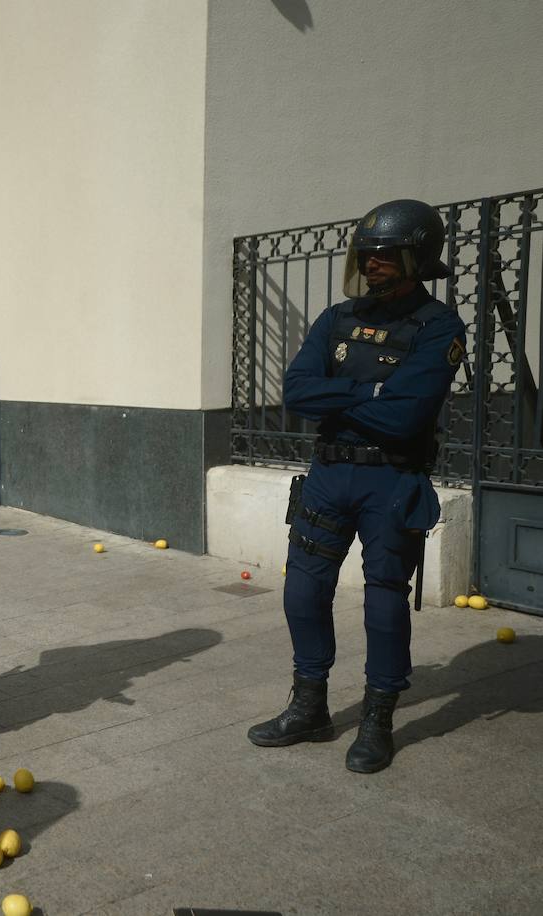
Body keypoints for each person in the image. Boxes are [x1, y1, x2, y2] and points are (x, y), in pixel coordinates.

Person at [247, 199, 467, 775]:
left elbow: (405, 418)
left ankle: (377, 720)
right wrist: (371, 395)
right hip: (328, 476)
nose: (370, 264)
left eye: (384, 255)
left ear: (417, 257)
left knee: (384, 603)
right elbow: (297, 393)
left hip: (391, 480)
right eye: (365, 254)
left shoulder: (438, 325)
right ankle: (310, 706)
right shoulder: (336, 318)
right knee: (302, 593)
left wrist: (343, 397)